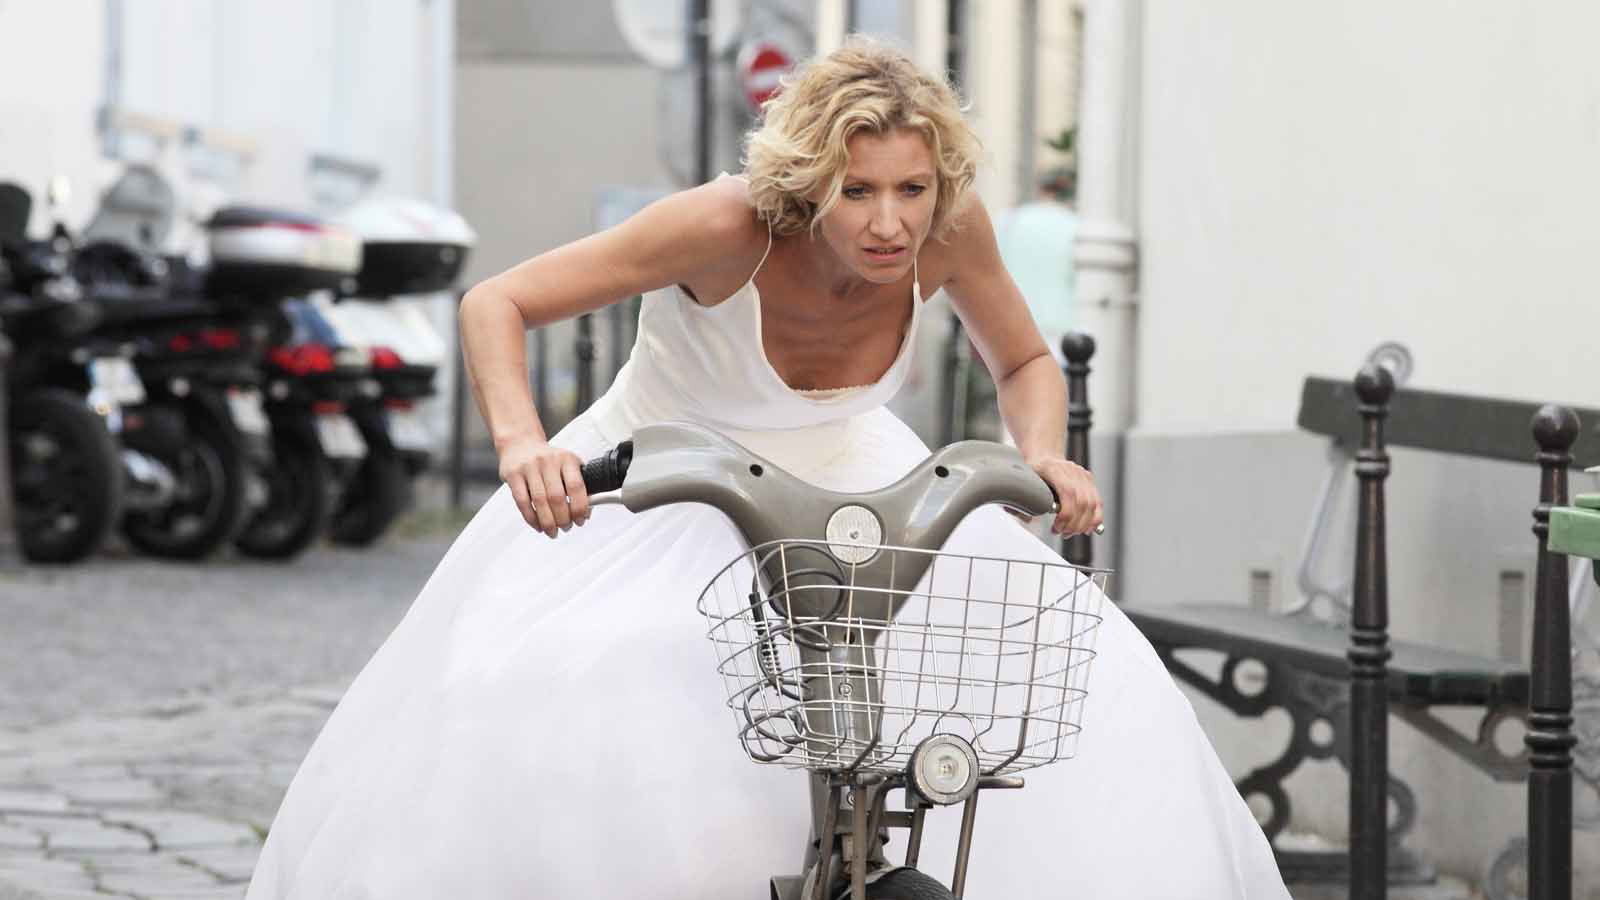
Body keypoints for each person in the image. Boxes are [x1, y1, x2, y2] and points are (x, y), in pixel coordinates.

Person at [246, 38, 1289, 898]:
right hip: (667, 481)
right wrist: (526, 447)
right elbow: (497, 303)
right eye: (858, 191)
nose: (890, 222)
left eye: (913, 189)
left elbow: (1022, 360)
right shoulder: (724, 226)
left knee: (1066, 668)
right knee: (598, 696)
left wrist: (1043, 455)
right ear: (807, 182)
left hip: (865, 491)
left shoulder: (949, 231)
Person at [994, 167, 1078, 365]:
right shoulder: (1077, 226)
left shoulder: (1008, 221)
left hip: (1012, 326)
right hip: (1062, 327)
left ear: (1040, 189)